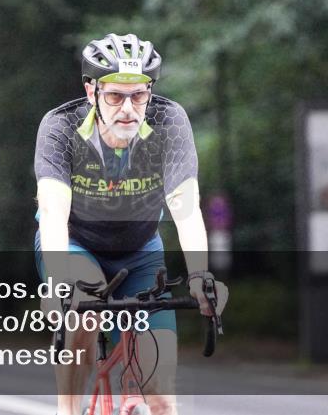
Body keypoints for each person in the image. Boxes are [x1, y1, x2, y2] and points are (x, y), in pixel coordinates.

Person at [34, 33, 226, 415]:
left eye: (138, 95)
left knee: (161, 399)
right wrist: (58, 283)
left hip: (139, 253)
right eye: (115, 96)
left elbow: (186, 209)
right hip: (76, 243)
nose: (128, 109)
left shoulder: (170, 122)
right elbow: (54, 212)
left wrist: (200, 276)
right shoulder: (60, 128)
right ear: (92, 92)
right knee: (84, 315)